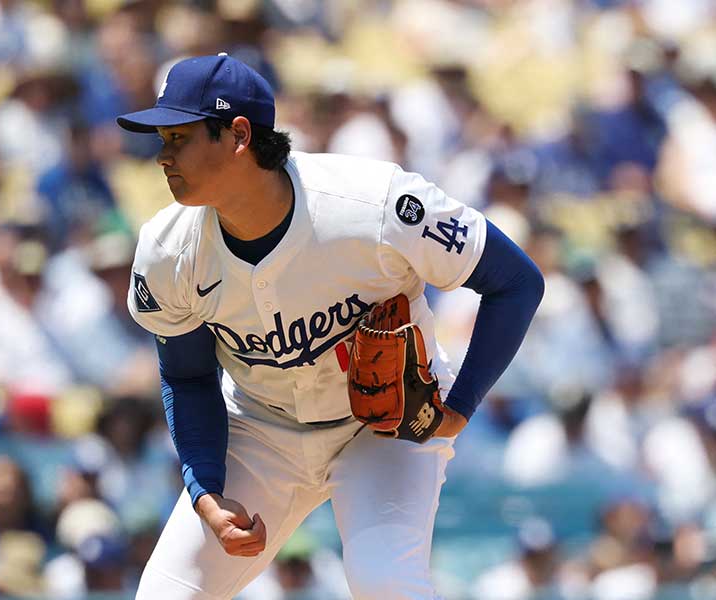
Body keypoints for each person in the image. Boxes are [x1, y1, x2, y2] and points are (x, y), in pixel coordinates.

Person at [117, 53, 544, 599]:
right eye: (163, 139)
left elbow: (516, 281)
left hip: (382, 427)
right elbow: (188, 376)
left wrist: (458, 407)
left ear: (239, 135)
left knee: (385, 582)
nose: (162, 155)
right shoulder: (168, 251)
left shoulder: (375, 205)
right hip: (260, 428)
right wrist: (206, 489)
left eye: (179, 137)